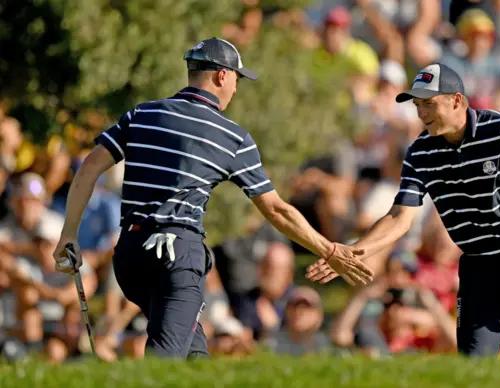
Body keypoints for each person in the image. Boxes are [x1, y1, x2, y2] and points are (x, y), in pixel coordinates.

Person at [52, 37, 374, 359]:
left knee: (195, 357)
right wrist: (329, 249)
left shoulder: (141, 114)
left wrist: (69, 235)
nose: (236, 88)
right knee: (165, 360)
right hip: (177, 254)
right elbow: (276, 209)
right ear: (222, 76)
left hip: (130, 255)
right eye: (237, 79)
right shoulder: (233, 137)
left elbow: (88, 169)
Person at [307, 63, 500, 358]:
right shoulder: (420, 153)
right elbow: (399, 217)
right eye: (418, 105)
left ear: (457, 100)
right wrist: (355, 252)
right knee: (473, 363)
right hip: (482, 265)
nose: (421, 114)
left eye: (429, 104)